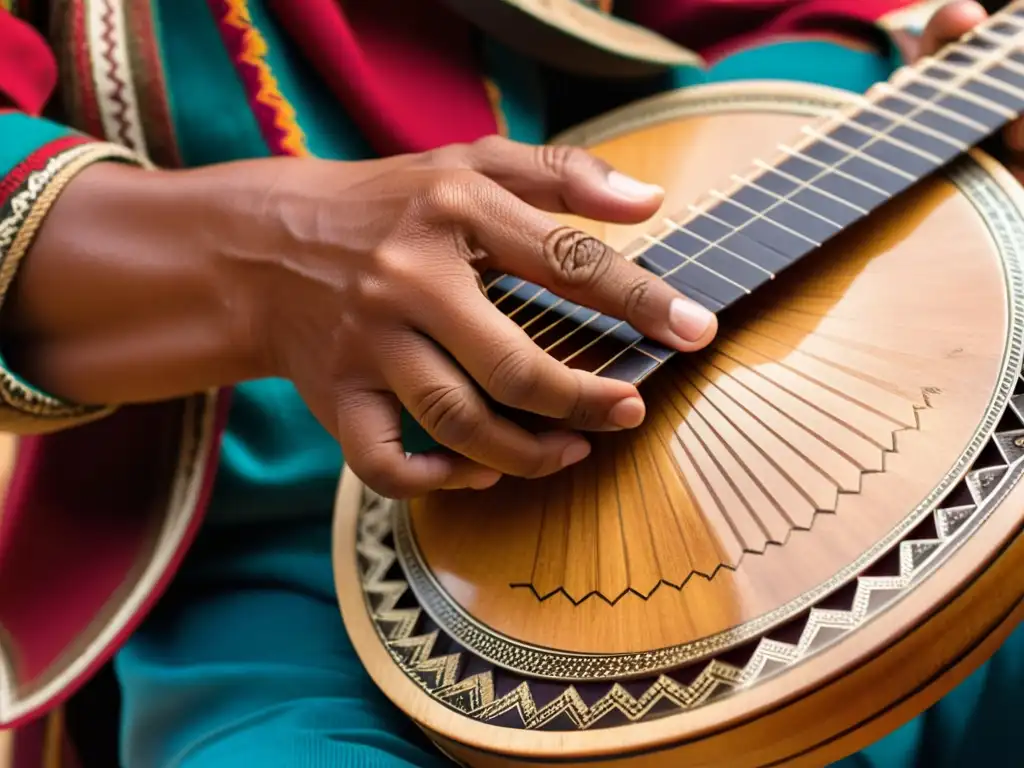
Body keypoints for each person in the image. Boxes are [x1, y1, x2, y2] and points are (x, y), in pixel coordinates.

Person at [0, 0, 1018, 766]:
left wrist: (876, 95)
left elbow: (760, 18)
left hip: (798, 445)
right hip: (277, 558)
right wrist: (264, 257)